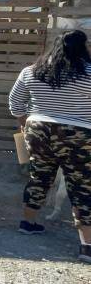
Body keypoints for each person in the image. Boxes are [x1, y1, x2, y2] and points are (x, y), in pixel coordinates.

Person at [8, 29, 91, 263]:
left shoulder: (32, 70)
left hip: (38, 129)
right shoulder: (89, 73)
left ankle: (28, 223)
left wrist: (25, 126)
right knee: (82, 186)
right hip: (79, 134)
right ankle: (87, 246)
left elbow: (15, 103)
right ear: (83, 47)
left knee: (39, 177)